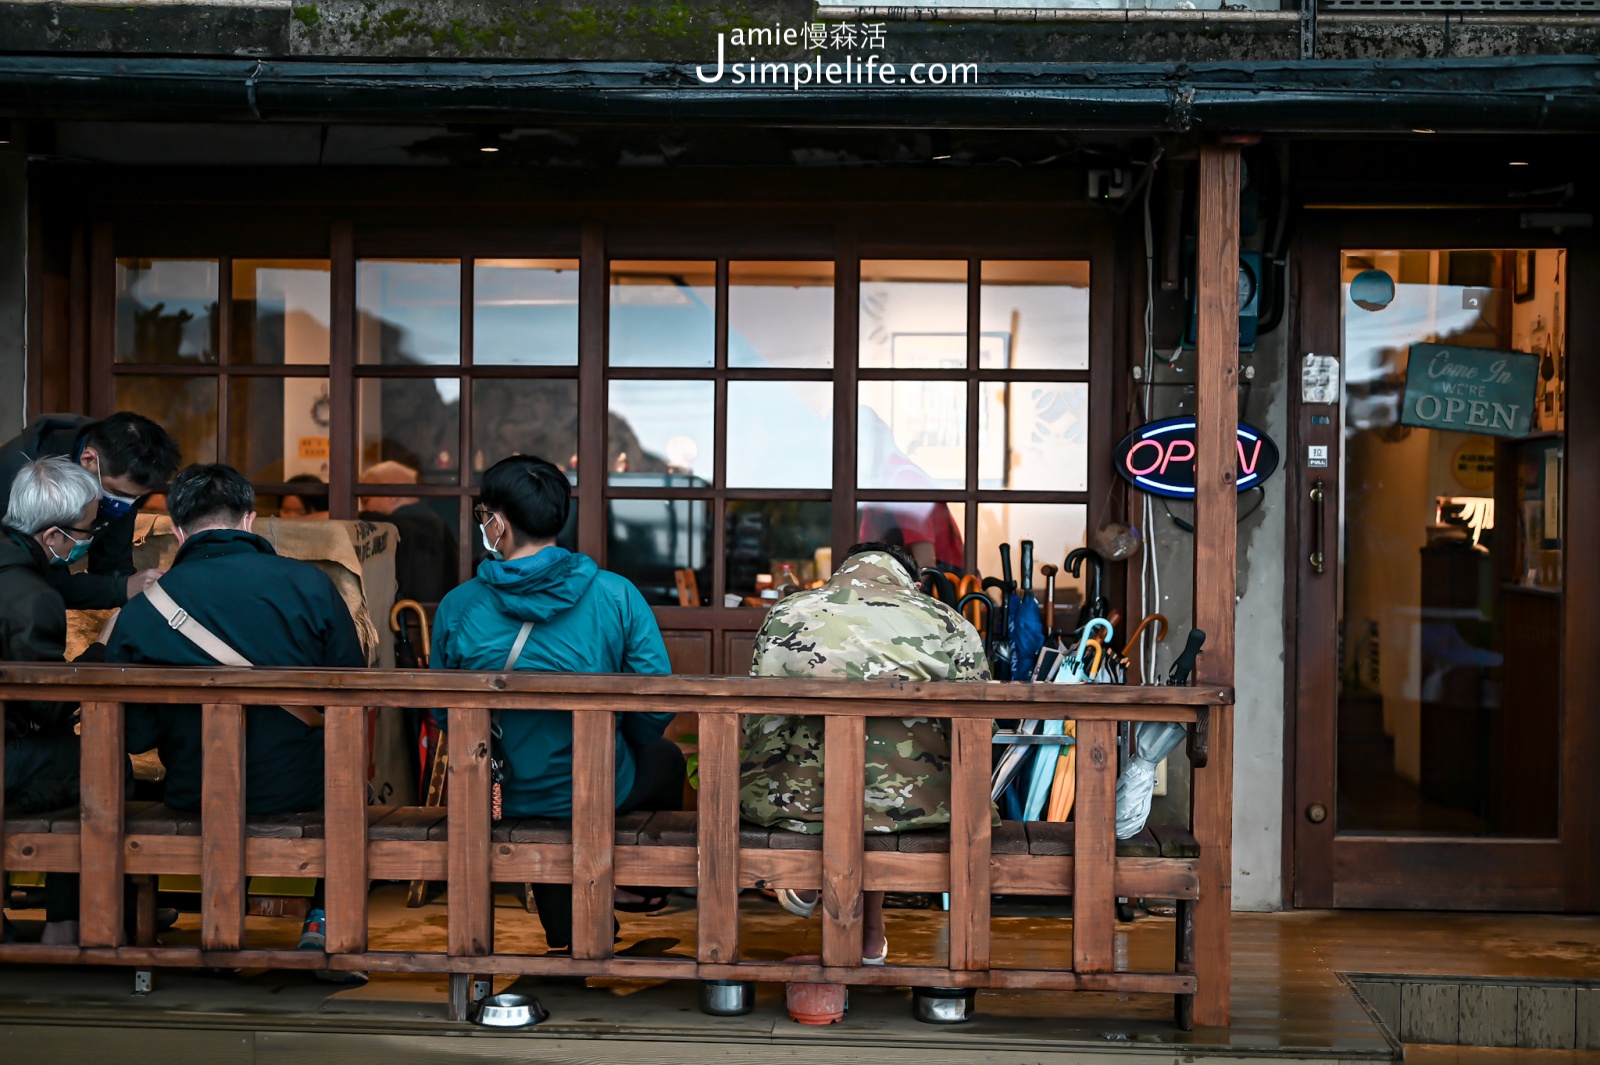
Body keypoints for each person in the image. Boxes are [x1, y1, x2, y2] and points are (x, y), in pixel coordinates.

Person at [103, 463, 366, 975]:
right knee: (345, 784)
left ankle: (219, 924)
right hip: (301, 790)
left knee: (213, 779)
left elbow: (132, 735)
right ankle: (321, 920)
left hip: (195, 792)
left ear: (178, 531)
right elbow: (351, 695)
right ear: (249, 521)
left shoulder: (145, 607)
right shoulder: (309, 585)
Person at [430, 455, 682, 953]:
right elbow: (657, 701)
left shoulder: (459, 606)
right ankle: (638, 886)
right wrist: (617, 740)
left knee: (540, 789)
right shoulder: (615, 595)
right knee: (662, 761)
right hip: (596, 785)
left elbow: (443, 715)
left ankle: (572, 933)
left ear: (498, 523)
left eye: (485, 514)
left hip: (499, 792)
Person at [740, 542, 990, 964]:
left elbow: (762, 718)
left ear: (843, 572)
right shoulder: (946, 620)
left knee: (801, 756)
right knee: (888, 791)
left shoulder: (788, 612)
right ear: (912, 582)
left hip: (798, 807)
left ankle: (808, 875)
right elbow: (981, 723)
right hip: (918, 809)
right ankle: (871, 932)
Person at [0, 457, 108, 944]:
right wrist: (103, 651)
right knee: (104, 766)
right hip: (8, 753)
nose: (92, 537)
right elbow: (47, 706)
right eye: (88, 528)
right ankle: (68, 921)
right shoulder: (32, 596)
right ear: (52, 537)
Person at [0, 412, 179, 609]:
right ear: (88, 459)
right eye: (118, 493)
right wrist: (121, 588)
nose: (124, 506)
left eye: (135, 498)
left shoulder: (119, 472)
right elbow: (29, 579)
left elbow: (113, 563)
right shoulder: (21, 477)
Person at [359, 460, 457, 603]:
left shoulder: (399, 523)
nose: (364, 507)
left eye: (366, 500)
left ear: (392, 495)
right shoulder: (432, 521)